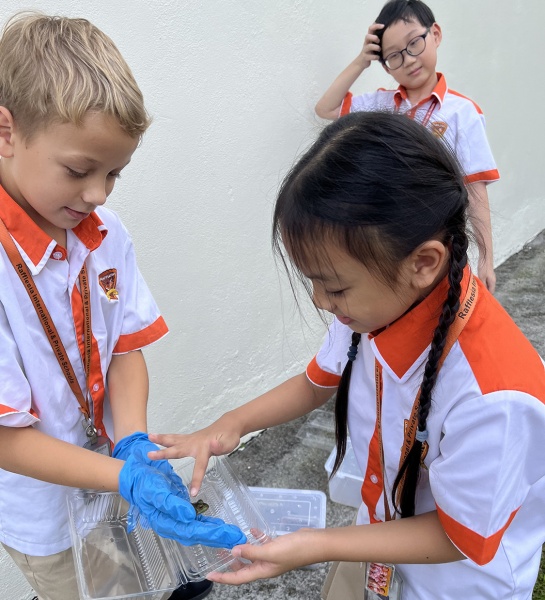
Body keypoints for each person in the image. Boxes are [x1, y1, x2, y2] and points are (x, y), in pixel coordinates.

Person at [149, 112, 545, 600]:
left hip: (454, 585)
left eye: (333, 286)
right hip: (377, 550)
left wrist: (314, 545)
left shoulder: (495, 396)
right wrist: (229, 423)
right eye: (312, 281)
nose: (320, 301)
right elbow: (318, 382)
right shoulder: (373, 310)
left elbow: (455, 536)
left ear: (423, 263)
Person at [0, 12, 245, 600]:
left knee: (145, 578)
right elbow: (8, 439)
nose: (98, 194)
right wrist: (127, 475)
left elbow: (125, 345)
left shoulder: (105, 233)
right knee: (78, 587)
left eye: (115, 173)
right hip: (44, 514)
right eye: (79, 170)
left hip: (111, 480)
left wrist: (132, 440)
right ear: (6, 133)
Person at [314, 0, 499, 293]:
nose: (409, 60)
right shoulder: (381, 104)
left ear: (435, 35)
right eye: (394, 56)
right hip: (386, 241)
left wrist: (486, 259)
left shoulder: (462, 112)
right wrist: (362, 60)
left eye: (414, 43)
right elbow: (326, 109)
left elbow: (476, 188)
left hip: (439, 241)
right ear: (386, 67)